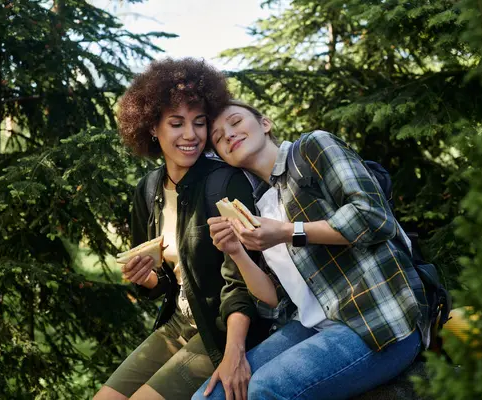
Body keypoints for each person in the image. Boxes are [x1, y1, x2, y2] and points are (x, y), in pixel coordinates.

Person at [193, 100, 430, 400]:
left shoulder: (311, 148)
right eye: (217, 136)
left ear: (265, 124)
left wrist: (288, 232)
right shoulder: (260, 206)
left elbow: (373, 217)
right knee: (209, 396)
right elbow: (273, 303)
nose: (227, 134)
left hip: (383, 318)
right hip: (314, 326)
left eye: (236, 121)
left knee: (263, 390)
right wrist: (236, 252)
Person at [94, 62, 267, 400]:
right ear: (152, 128)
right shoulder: (148, 189)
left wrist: (235, 353)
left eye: (199, 123)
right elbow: (168, 280)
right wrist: (146, 279)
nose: (191, 135)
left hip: (222, 328)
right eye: (176, 123)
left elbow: (243, 280)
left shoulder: (223, 183)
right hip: (178, 325)